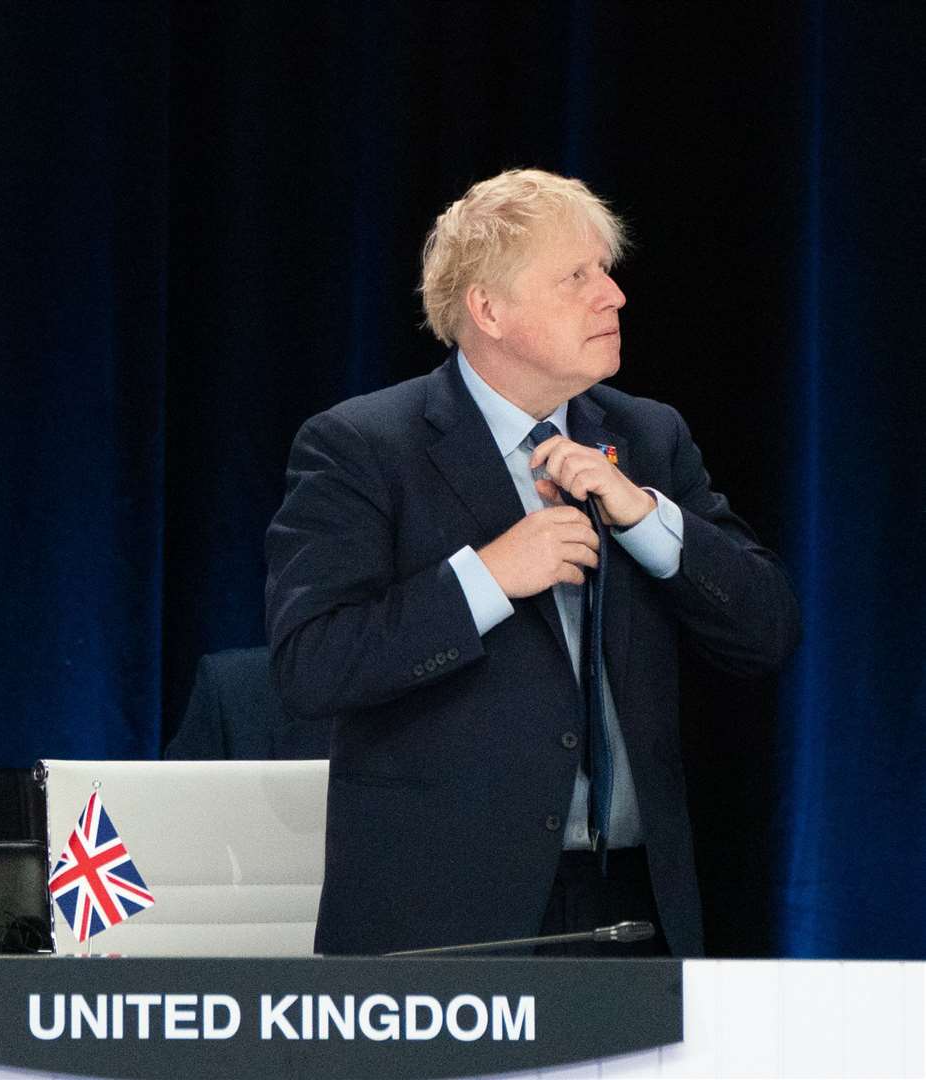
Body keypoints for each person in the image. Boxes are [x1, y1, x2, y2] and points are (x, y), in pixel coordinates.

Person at [264, 169, 799, 956]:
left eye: (606, 273)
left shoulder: (648, 438)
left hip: (632, 908)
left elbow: (766, 630)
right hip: (443, 920)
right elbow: (313, 664)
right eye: (577, 276)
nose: (612, 297)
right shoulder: (362, 447)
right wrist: (488, 577)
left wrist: (649, 520)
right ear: (490, 310)